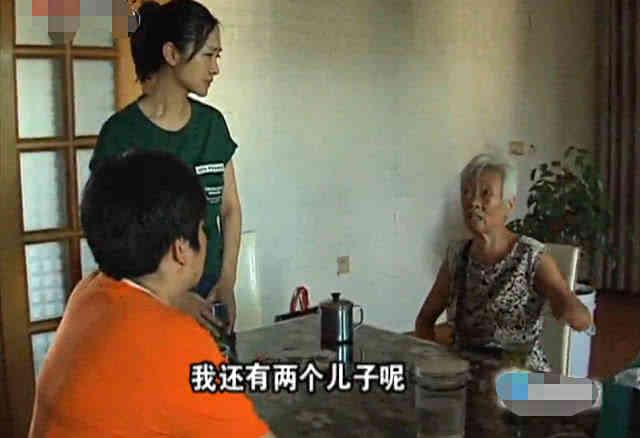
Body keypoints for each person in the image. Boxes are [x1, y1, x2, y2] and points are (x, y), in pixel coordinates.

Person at [29, 150, 273, 437]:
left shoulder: (89, 292)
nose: (206, 237)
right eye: (202, 228)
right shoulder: (177, 343)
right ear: (181, 249)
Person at [90, 0, 241, 330]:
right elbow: (111, 240)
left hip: (210, 296)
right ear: (172, 54)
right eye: (208, 55)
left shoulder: (212, 126)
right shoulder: (120, 134)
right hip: (146, 308)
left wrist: (227, 281)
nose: (215, 68)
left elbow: (229, 208)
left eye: (217, 56)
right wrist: (171, 297)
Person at [414, 153, 593, 372]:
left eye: (485, 194)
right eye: (467, 193)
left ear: (509, 204)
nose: (473, 202)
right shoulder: (457, 256)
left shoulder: (531, 256)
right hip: (466, 373)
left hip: (519, 376)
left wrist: (571, 309)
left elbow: (575, 310)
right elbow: (424, 320)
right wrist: (434, 364)